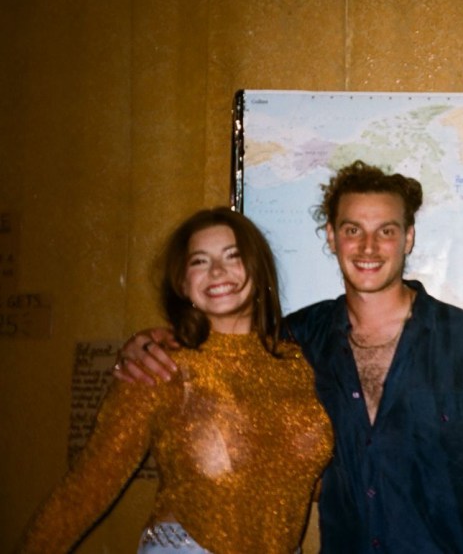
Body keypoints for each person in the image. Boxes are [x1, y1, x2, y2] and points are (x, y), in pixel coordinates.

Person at [118, 161, 463, 553]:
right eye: (352, 229)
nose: (368, 246)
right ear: (330, 236)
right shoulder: (293, 343)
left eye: (386, 230)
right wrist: (152, 342)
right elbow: (220, 349)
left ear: (408, 238)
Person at [18, 207, 334, 553]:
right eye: (199, 261)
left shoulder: (298, 365)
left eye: (233, 256)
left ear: (258, 271)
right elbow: (88, 486)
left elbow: (306, 478)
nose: (217, 271)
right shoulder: (160, 365)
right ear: (183, 283)